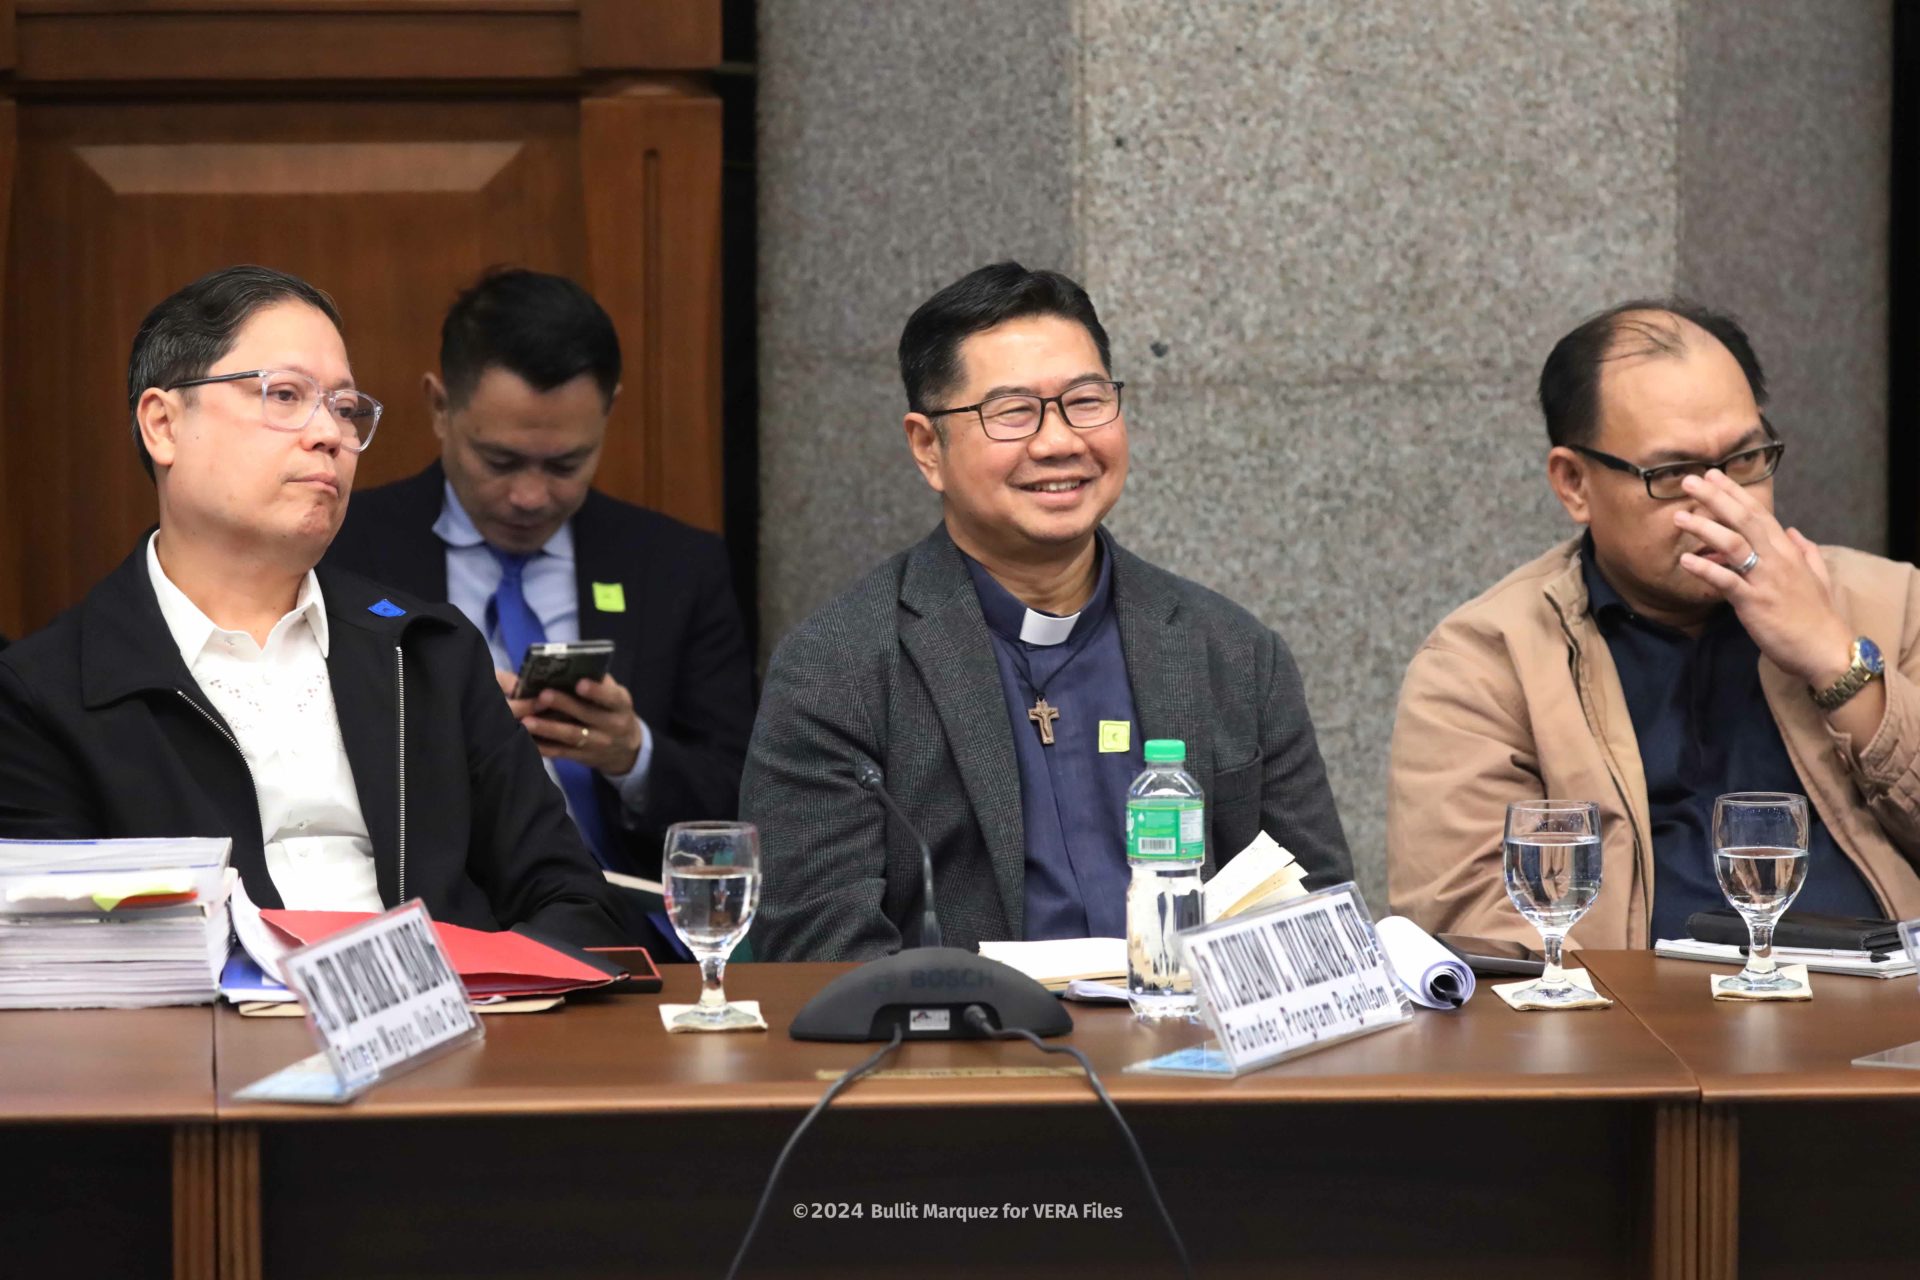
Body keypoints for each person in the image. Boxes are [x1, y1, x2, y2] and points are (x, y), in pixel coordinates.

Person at [0, 265, 625, 947]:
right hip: (213, 1047)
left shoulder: (428, 653)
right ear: (163, 425)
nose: (329, 434)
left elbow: (575, 904)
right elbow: (59, 971)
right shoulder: (47, 695)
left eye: (345, 408)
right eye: (287, 395)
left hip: (450, 1032)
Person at [743, 262, 1351, 961]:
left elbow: (1318, 919)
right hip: (966, 1057)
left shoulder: (1233, 653)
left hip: (1194, 1054)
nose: (1060, 441)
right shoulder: (839, 668)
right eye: (1013, 412)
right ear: (927, 447)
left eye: (1086, 401)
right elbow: (819, 953)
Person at [1388, 300, 1920, 948]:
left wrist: (1837, 662)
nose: (1722, 502)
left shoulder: (1890, 604)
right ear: (1574, 483)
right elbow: (1473, 936)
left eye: (1746, 460)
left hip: (1886, 1030)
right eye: (1673, 475)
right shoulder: (1484, 665)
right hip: (1632, 1039)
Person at [326, 269, 755, 877]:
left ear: (608, 415)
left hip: (629, 923)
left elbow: (746, 796)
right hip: (428, 918)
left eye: (565, 465)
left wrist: (633, 755)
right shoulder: (344, 551)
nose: (529, 497)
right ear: (440, 408)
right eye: (500, 460)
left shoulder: (676, 568)